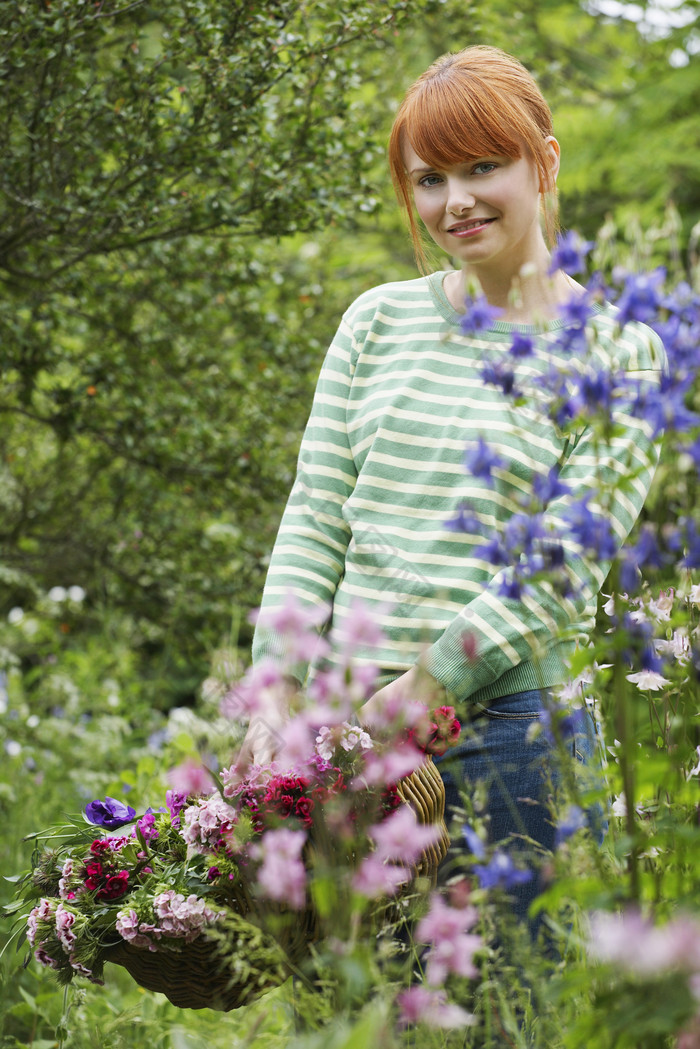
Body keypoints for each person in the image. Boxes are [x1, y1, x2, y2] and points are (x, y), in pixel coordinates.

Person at [237, 45, 664, 924]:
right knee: (363, 1012)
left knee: (508, 1014)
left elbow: (560, 570)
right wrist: (275, 691)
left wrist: (423, 689)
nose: (455, 200)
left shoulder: (623, 353)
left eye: (483, 166)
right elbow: (315, 519)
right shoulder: (375, 323)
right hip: (347, 734)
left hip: (511, 736)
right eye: (429, 178)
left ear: (543, 159)